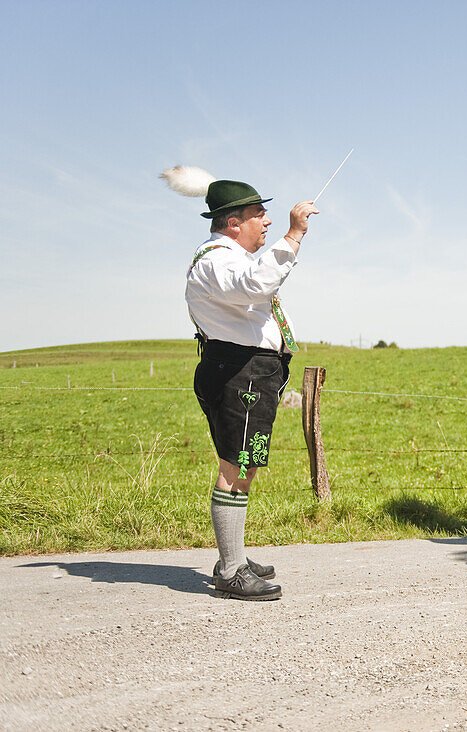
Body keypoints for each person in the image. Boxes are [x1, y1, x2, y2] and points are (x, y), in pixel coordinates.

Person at [184, 176, 318, 601]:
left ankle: (234, 556)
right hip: (239, 372)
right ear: (231, 222)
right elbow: (257, 285)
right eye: (257, 214)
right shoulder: (217, 261)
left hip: (249, 371)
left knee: (245, 462)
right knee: (238, 465)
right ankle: (230, 570)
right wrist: (293, 235)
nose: (267, 221)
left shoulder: (229, 259)